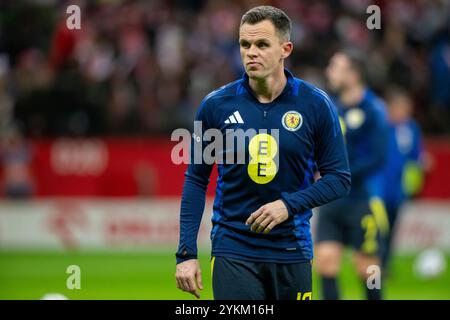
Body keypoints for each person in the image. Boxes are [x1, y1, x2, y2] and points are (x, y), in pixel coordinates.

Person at [175, 6, 351, 300]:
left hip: (292, 248)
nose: (251, 52)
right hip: (234, 248)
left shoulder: (315, 105)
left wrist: (288, 205)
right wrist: (186, 253)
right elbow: (195, 179)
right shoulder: (216, 106)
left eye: (261, 44)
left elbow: (339, 179)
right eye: (245, 44)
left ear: (286, 48)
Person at [315, 49, 390, 300]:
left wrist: (337, 175)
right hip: (333, 202)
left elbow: (378, 158)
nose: (329, 72)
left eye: (335, 67)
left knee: (367, 268)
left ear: (353, 74)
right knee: (325, 260)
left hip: (363, 200)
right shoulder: (331, 108)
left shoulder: (375, 110)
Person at [380, 87, 424, 273]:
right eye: (400, 108)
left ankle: (386, 265)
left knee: (391, 229)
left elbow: (416, 155)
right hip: (379, 189)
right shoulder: (380, 126)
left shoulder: (411, 128)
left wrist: (422, 161)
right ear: (391, 107)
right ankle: (375, 267)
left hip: (398, 190)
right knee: (378, 230)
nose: (404, 113)